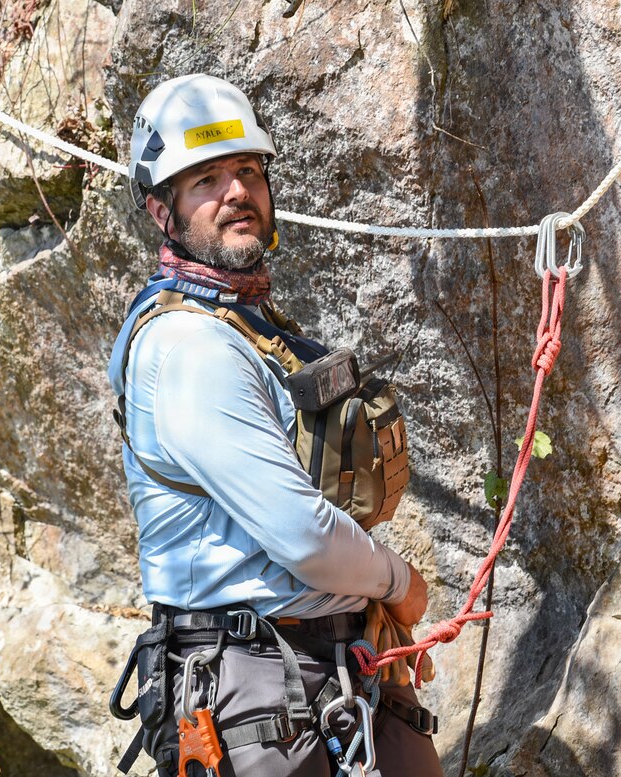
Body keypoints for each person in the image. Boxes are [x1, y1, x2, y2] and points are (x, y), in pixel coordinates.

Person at [107, 73, 443, 777]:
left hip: (316, 673)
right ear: (161, 211)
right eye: (205, 179)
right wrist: (395, 581)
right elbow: (301, 533)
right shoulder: (190, 347)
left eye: (249, 172)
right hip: (254, 690)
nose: (236, 191)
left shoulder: (242, 326)